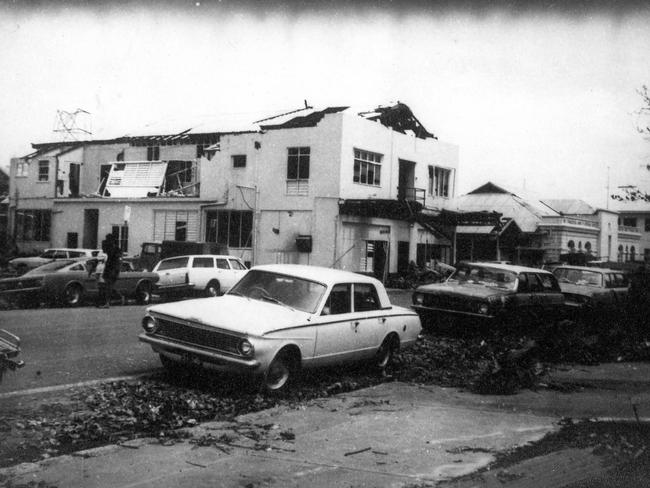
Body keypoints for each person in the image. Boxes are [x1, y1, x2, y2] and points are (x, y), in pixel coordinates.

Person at [99, 234, 122, 308]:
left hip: (113, 269)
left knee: (109, 286)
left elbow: (113, 259)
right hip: (110, 268)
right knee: (108, 286)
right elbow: (105, 251)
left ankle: (107, 303)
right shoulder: (112, 248)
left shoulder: (115, 249)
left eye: (107, 239)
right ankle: (120, 297)